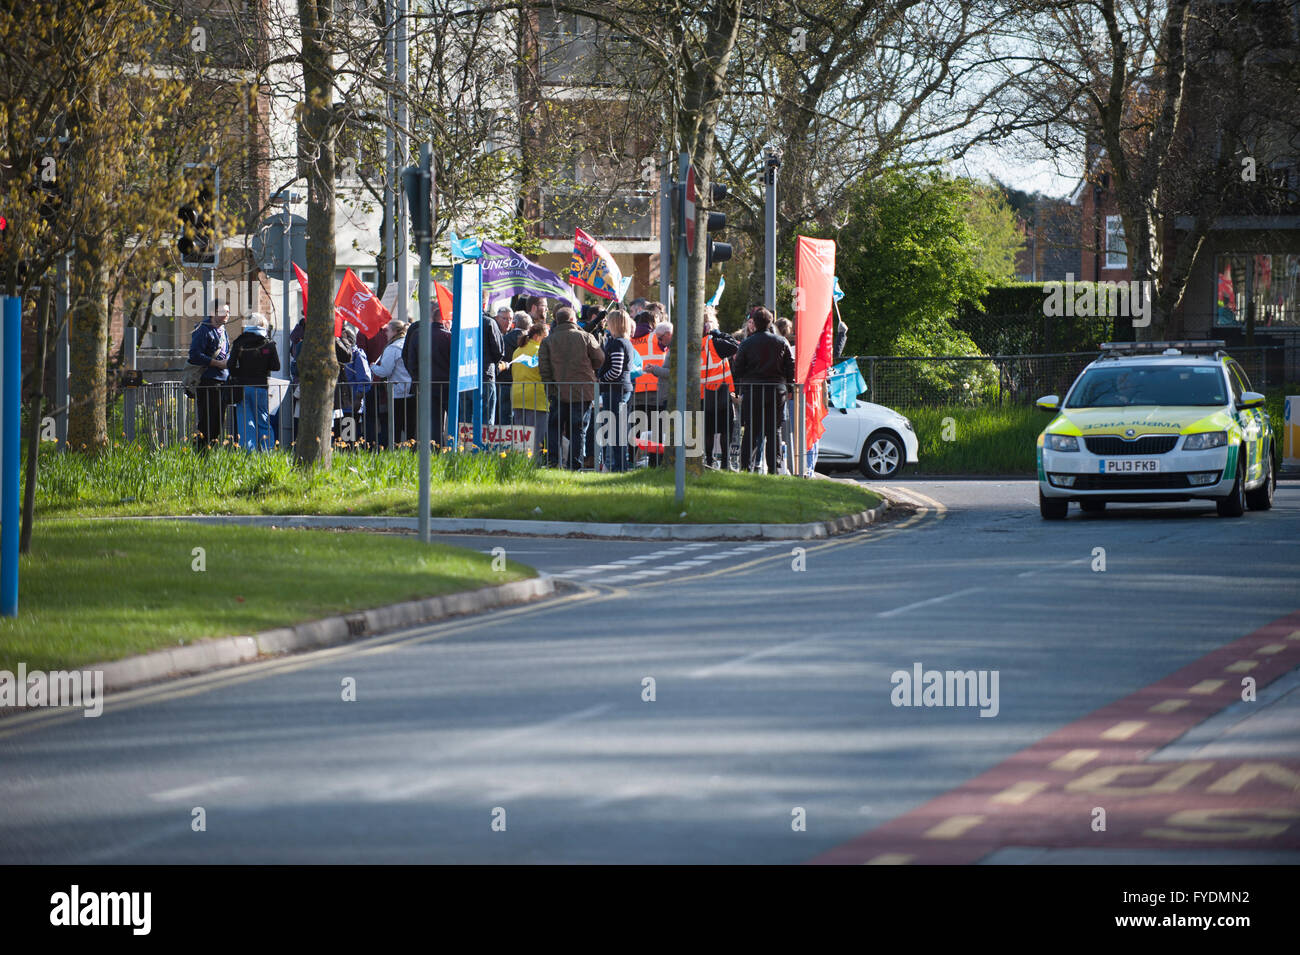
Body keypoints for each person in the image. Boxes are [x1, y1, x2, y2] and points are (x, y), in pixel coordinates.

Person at [538, 305, 604, 469]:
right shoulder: (586, 337)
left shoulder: (548, 341)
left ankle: (553, 463)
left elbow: (544, 369)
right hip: (583, 391)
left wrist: (550, 390)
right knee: (578, 429)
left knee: (555, 428)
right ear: (573, 320)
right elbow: (599, 359)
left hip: (557, 391)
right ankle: (575, 465)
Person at [733, 307, 794, 474]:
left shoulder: (746, 343)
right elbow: (790, 366)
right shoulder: (781, 342)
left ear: (755, 323)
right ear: (770, 322)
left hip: (753, 391)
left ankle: (746, 467)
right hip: (776, 391)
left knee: (751, 430)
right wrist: (790, 387)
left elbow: (738, 368)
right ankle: (774, 468)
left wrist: (739, 389)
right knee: (774, 430)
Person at [228, 311, 280, 451]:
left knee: (245, 423)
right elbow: (276, 366)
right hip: (261, 386)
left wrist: (240, 373)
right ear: (263, 325)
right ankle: (267, 453)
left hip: (242, 387)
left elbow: (230, 365)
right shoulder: (268, 344)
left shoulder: (239, 341)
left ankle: (248, 455)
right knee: (263, 421)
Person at [402, 307, 453, 446]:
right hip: (447, 384)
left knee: (433, 420)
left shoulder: (418, 334)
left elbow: (410, 360)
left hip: (426, 385)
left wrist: (417, 378)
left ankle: (434, 447)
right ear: (444, 319)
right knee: (453, 418)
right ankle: (451, 447)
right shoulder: (449, 337)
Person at [188, 301, 233, 450]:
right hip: (208, 381)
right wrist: (216, 363)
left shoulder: (223, 330)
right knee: (206, 422)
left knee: (218, 423)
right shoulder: (203, 330)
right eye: (223, 311)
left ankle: (211, 454)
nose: (227, 314)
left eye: (228, 311)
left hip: (222, 380)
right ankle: (200, 455)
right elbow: (194, 355)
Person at [596, 308, 635, 471]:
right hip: (620, 388)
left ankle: (617, 466)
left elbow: (616, 370)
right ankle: (619, 465)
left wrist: (601, 379)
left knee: (613, 430)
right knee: (617, 430)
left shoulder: (617, 343)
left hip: (615, 390)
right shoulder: (625, 342)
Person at [701, 307, 739, 469]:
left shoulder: (692, 343)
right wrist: (717, 332)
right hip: (720, 391)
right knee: (725, 429)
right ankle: (725, 462)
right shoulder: (714, 342)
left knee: (708, 430)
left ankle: (709, 460)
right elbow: (735, 345)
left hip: (702, 393)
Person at [511, 322, 549, 455]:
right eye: (546, 337)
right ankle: (534, 465)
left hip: (517, 397)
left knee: (521, 438)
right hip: (536, 398)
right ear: (538, 337)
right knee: (535, 438)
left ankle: (520, 464)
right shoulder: (540, 351)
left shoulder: (517, 351)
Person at [371, 319, 411, 446]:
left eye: (388, 330)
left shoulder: (392, 348)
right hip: (412, 391)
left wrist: (373, 367)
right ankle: (412, 454)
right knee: (410, 429)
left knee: (396, 428)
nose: (386, 333)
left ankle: (395, 454)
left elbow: (385, 371)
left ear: (394, 331)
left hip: (398, 391)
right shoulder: (408, 343)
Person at [334, 324, 372, 446]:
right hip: (339, 403)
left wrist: (358, 397)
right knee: (338, 436)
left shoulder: (357, 354)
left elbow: (364, 379)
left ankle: (348, 457)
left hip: (350, 404)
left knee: (348, 437)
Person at [494, 306, 518, 424]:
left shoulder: (512, 336)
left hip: (510, 381)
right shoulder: (494, 332)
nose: (508, 322)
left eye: (510, 319)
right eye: (505, 318)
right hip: (497, 381)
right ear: (497, 318)